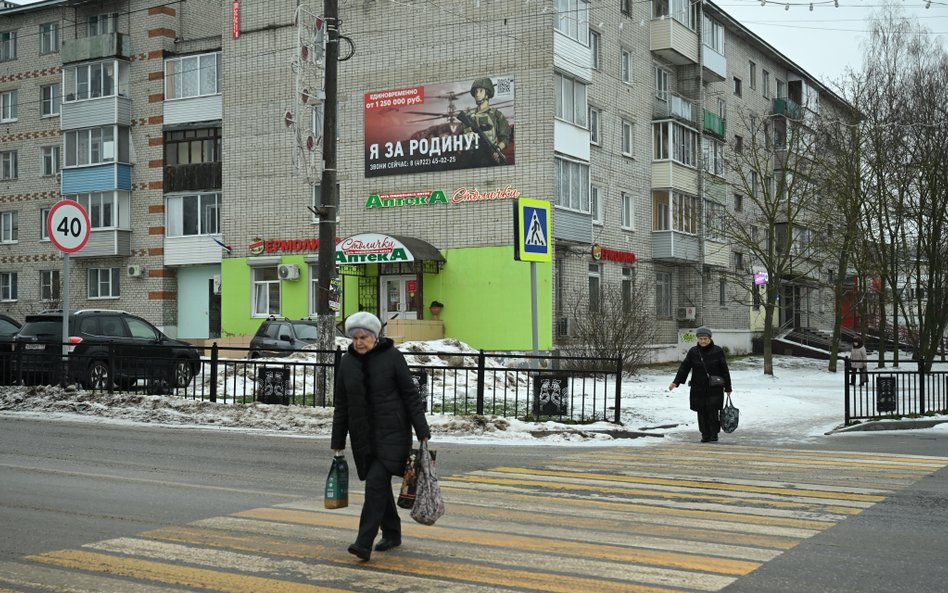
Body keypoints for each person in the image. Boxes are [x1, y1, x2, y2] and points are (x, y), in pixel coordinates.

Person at [331, 311, 431, 562]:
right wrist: (338, 442)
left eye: (364, 337)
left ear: (375, 337)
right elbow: (341, 405)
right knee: (379, 485)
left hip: (393, 432)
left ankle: (363, 542)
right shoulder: (347, 363)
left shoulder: (392, 357)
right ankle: (393, 533)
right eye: (355, 338)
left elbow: (410, 395)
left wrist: (422, 432)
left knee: (375, 482)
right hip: (363, 436)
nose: (359, 342)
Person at [668, 327, 732, 443]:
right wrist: (676, 382)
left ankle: (714, 434)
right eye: (701, 339)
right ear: (697, 339)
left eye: (705, 339)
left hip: (714, 388)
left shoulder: (717, 351)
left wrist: (728, 387)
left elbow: (724, 370)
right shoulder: (693, 352)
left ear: (710, 338)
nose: (703, 341)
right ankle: (704, 434)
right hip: (698, 388)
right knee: (701, 412)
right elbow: (685, 367)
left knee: (713, 412)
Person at [460, 77, 511, 166]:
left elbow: (505, 138)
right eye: (476, 91)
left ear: (487, 94)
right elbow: (460, 138)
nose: (477, 94)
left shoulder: (496, 115)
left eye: (480, 91)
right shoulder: (469, 116)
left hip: (489, 157)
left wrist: (498, 150)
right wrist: (467, 135)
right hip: (472, 158)